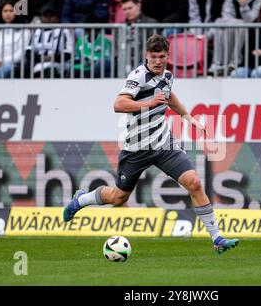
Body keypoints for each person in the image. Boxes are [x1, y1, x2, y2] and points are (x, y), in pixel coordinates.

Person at [63, 34, 239, 255]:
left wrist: (188, 117)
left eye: (162, 56)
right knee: (119, 197)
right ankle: (82, 199)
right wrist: (148, 102)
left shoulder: (166, 75)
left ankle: (217, 238)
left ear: (168, 56)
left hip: (164, 143)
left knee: (194, 183)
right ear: (146, 56)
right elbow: (118, 104)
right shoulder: (138, 76)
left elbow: (169, 96)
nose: (158, 61)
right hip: (136, 148)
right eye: (154, 57)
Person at [208, 0, 261, 75]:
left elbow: (253, 20)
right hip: (234, 28)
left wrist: (244, 4)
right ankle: (218, 63)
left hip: (255, 32)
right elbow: (226, 16)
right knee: (221, 22)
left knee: (240, 25)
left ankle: (235, 62)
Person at [24, 3, 74, 78]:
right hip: (38, 64)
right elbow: (28, 53)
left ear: (57, 18)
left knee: (49, 69)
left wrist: (52, 58)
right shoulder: (36, 31)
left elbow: (68, 53)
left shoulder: (64, 31)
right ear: (41, 18)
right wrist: (42, 58)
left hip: (58, 65)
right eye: (46, 16)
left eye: (51, 16)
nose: (49, 18)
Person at [120, 0, 157, 72]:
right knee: (104, 64)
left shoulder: (151, 23)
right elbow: (116, 49)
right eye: (124, 9)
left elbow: (154, 48)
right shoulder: (120, 27)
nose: (127, 11)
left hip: (143, 61)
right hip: (123, 61)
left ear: (138, 6)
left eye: (130, 8)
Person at [73, 14, 112, 78]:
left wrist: (91, 61)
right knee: (72, 69)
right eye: (88, 30)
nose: (90, 32)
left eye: (93, 30)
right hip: (82, 67)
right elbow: (77, 57)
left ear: (97, 30)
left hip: (96, 68)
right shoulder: (80, 40)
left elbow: (106, 58)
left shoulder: (104, 41)